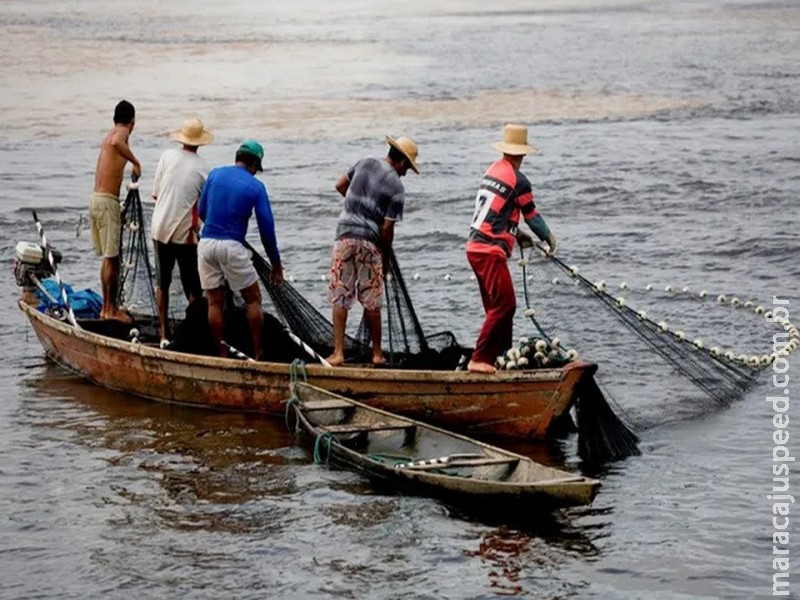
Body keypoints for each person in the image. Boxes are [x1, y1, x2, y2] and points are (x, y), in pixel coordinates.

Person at [466, 124, 557, 374]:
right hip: (490, 251)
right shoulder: (519, 180)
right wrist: (549, 238)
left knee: (496, 308)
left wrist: (518, 236)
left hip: (474, 247)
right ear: (523, 154)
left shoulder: (493, 170)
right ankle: (479, 358)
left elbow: (497, 212)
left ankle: (502, 356)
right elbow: (532, 216)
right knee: (505, 307)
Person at [327, 135, 419, 367]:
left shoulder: (364, 162)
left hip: (344, 237)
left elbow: (340, 185)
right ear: (400, 163)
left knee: (341, 294)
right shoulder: (397, 187)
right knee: (372, 299)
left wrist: (357, 206)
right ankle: (377, 354)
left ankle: (338, 353)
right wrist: (386, 258)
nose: (405, 172)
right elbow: (387, 230)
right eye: (406, 167)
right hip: (369, 243)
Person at [197, 140, 283, 359]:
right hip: (232, 246)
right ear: (254, 164)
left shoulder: (215, 174)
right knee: (253, 299)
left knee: (214, 302)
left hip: (206, 244)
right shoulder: (256, 187)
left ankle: (223, 353)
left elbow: (202, 212)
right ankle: (257, 351)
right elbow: (267, 229)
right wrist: (276, 264)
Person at [150, 117, 213, 347]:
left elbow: (156, 195)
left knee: (162, 284)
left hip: (159, 227)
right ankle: (192, 334)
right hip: (184, 234)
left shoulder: (167, 157)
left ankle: (164, 335)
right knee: (193, 289)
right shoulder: (203, 168)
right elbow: (204, 207)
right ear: (200, 142)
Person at [89, 99, 141, 322]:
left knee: (109, 258)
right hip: (105, 201)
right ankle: (110, 310)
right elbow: (117, 142)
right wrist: (136, 162)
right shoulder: (120, 133)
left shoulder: (108, 133)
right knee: (112, 258)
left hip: (97, 199)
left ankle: (106, 308)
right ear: (132, 122)